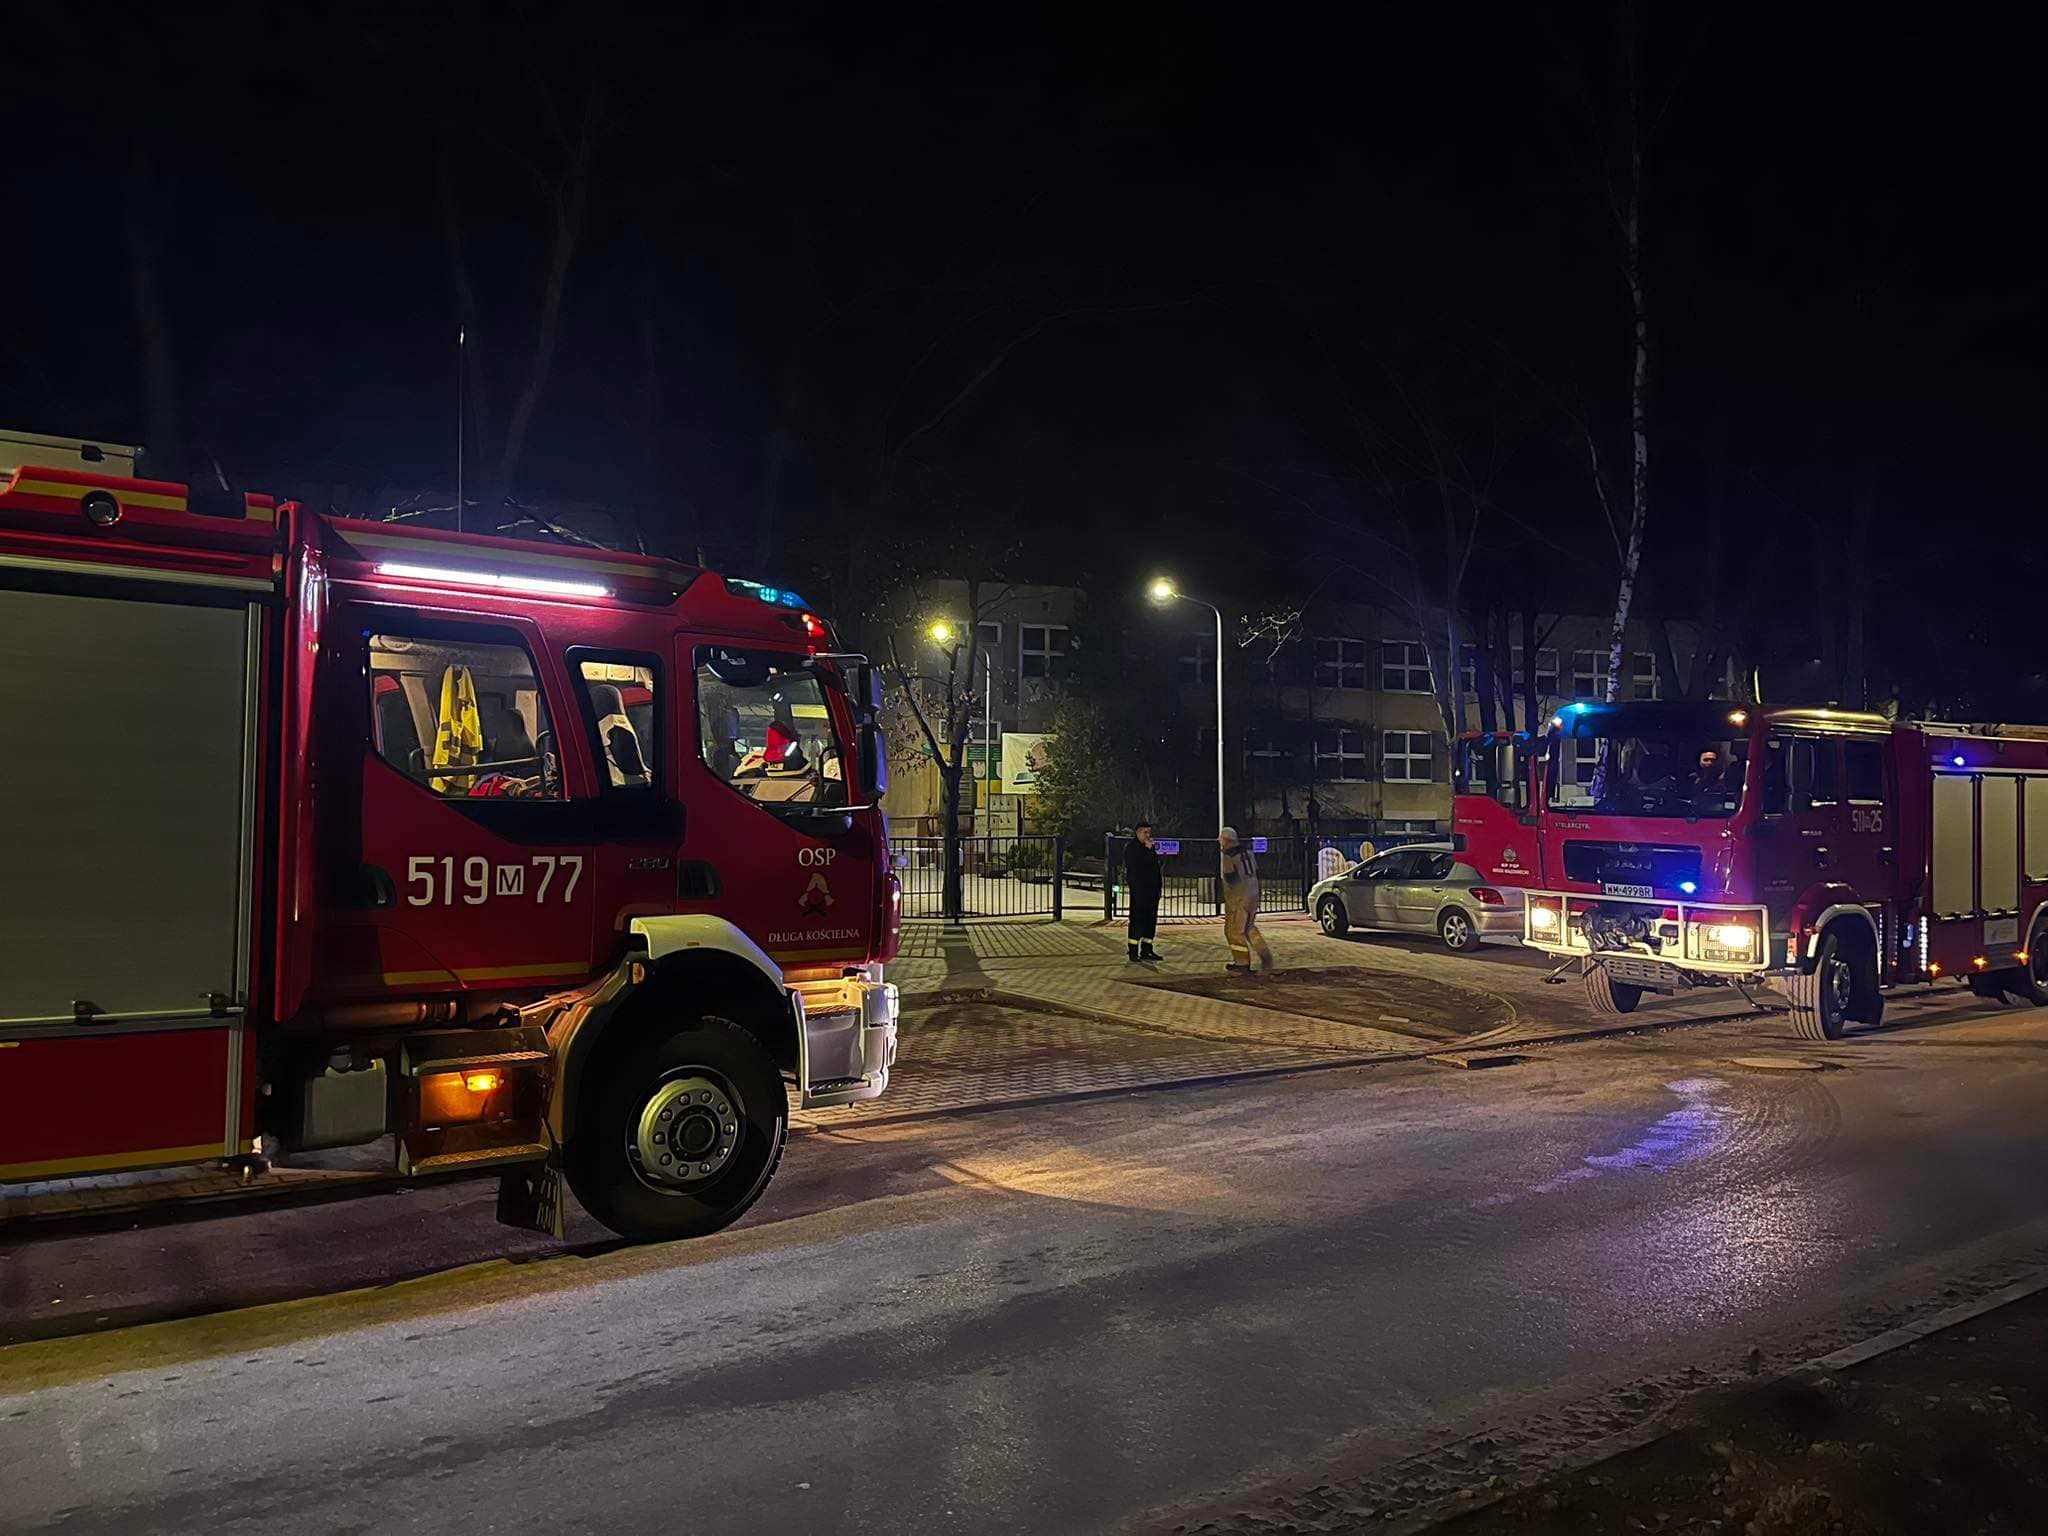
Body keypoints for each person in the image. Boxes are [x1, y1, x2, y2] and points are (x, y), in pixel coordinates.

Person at [1218, 826, 1275, 973]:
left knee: (1234, 931)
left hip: (1239, 897)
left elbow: (1231, 878)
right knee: (1249, 928)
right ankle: (1265, 956)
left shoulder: (1228, 855)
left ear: (1226, 840)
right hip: (1253, 893)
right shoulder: (1248, 852)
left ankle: (1242, 962)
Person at [1124, 822, 1163, 962]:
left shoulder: (1149, 848)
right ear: (1138, 833)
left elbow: (1155, 868)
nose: (1148, 835)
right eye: (1145, 832)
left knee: (1150, 921)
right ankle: (1133, 951)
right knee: (1137, 920)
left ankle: (1147, 949)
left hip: (1152, 892)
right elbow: (1138, 868)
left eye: (1149, 832)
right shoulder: (1132, 848)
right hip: (1140, 892)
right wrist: (1148, 851)